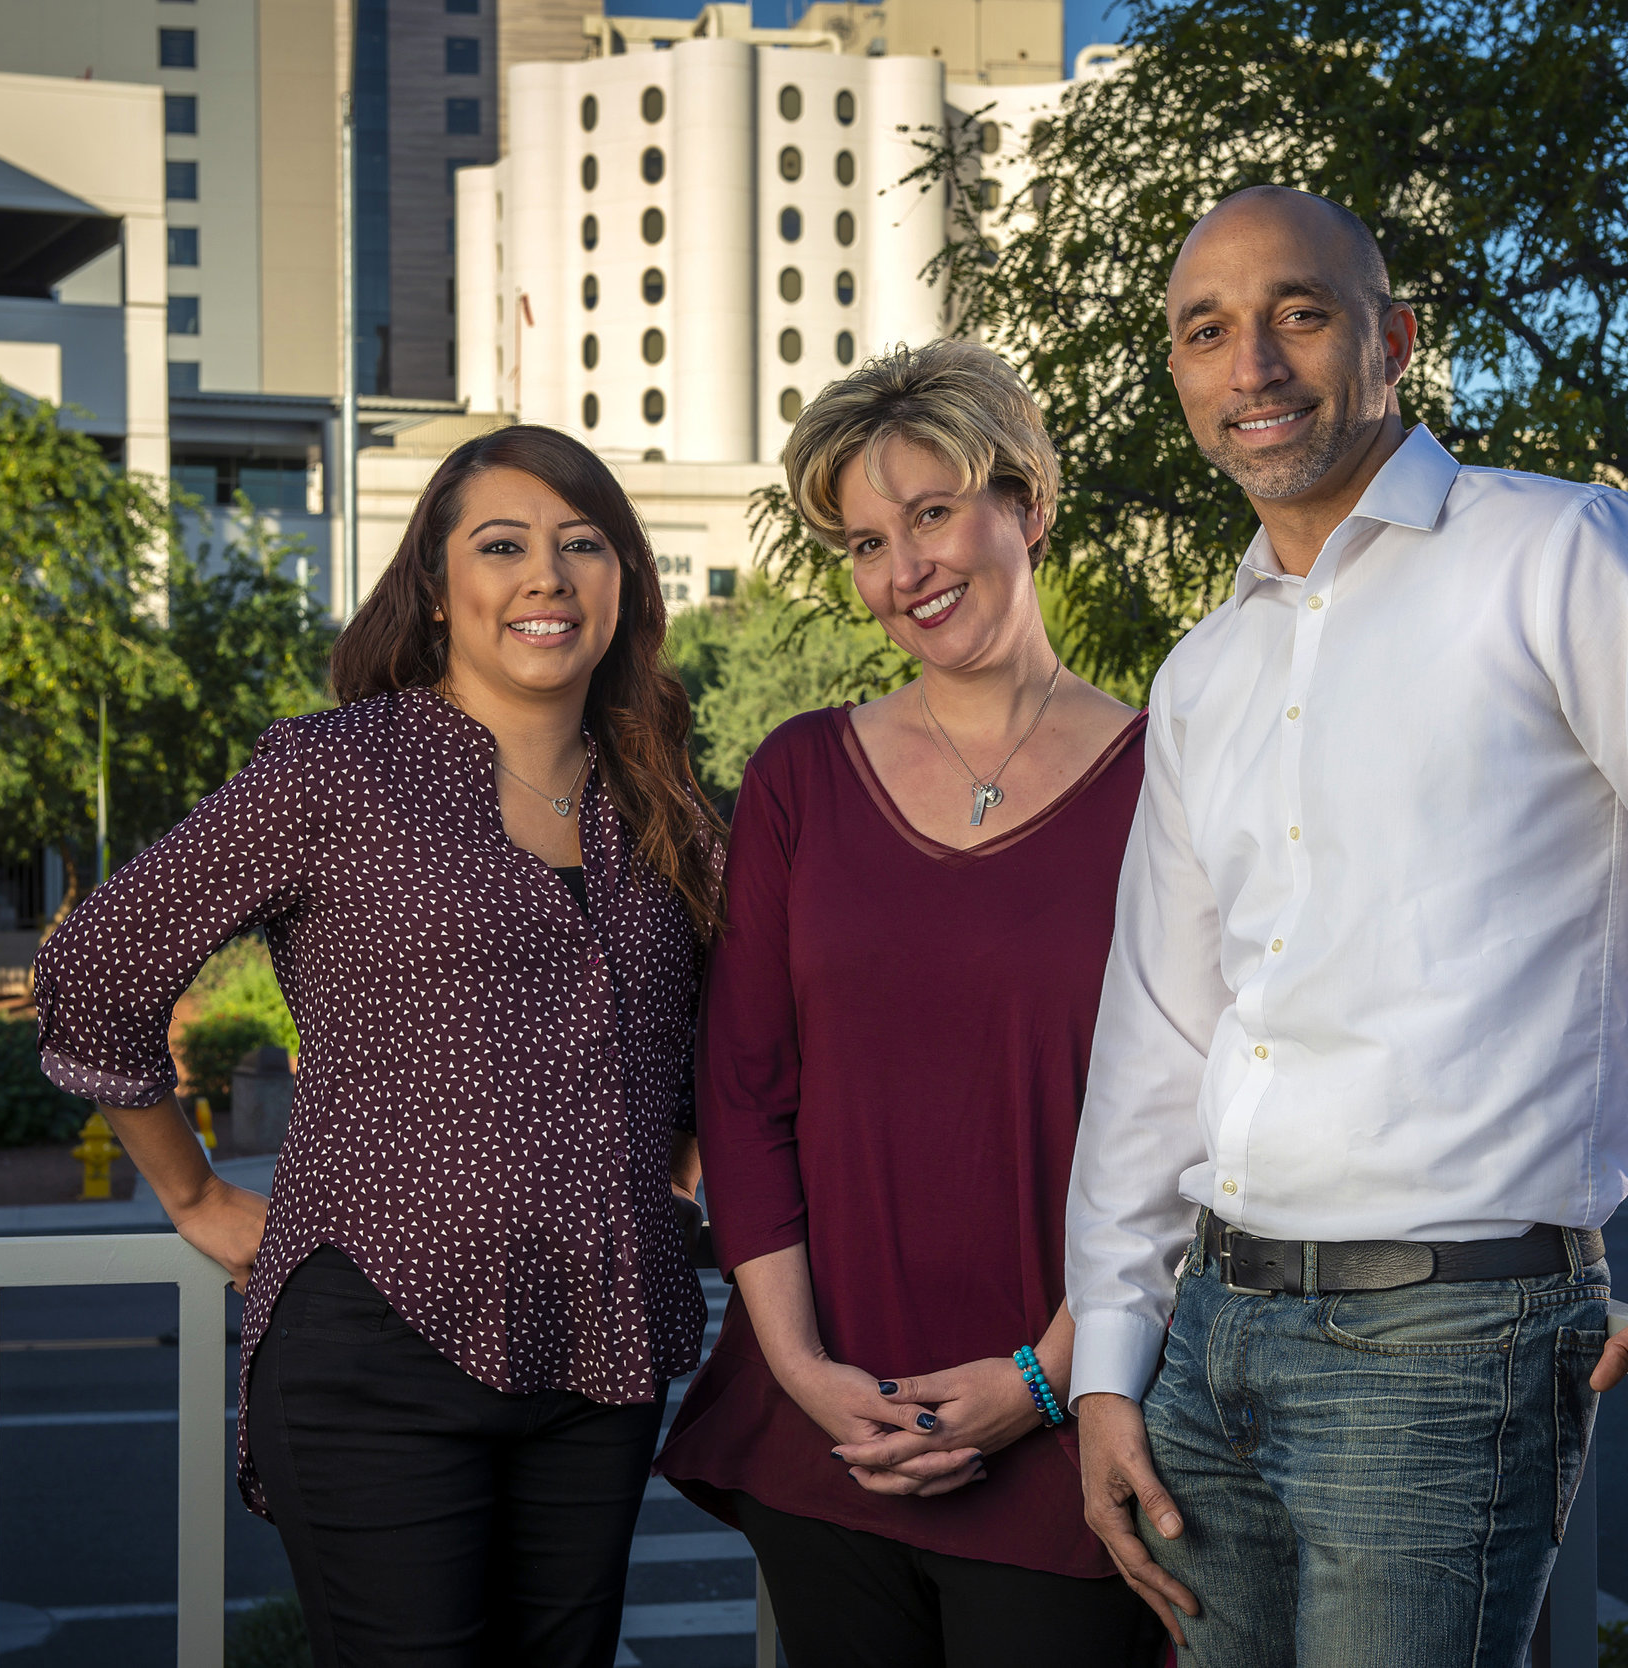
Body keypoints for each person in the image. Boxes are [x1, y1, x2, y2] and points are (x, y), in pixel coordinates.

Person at [1065, 187, 1628, 1666]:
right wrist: (1114, 1364)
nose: (1251, 363)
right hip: (1212, 1344)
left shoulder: (1568, 554)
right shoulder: (1204, 672)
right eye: (1207, 330)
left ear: (1396, 341)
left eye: (1297, 314)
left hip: (1447, 1351)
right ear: (1179, 372)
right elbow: (1162, 1031)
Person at [31, 425, 723, 1668]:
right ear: (437, 585)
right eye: (502, 545)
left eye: (583, 544)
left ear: (625, 579)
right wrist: (192, 1194)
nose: (546, 578)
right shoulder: (336, 773)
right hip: (376, 1353)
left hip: (601, 1360)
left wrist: (661, 1178)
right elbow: (96, 973)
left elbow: (719, 1033)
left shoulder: (666, 800)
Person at [657, 340, 1167, 1667]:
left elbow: (1198, 1115)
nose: (904, 571)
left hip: (1068, 1428)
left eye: (933, 514)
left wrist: (1045, 1376)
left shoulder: (1171, 776)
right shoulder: (800, 777)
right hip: (836, 1434)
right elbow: (747, 1087)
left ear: (1029, 506)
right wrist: (803, 1373)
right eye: (865, 541)